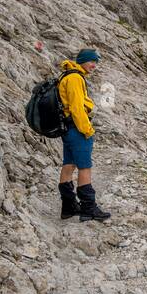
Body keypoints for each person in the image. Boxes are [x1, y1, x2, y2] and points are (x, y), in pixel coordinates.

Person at [57, 48, 111, 221]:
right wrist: (88, 130)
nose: (94, 65)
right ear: (82, 60)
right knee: (85, 167)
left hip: (68, 129)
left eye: (96, 62)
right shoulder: (74, 78)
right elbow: (77, 108)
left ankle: (69, 206)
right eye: (91, 61)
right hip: (77, 129)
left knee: (69, 165)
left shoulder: (68, 75)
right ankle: (89, 208)